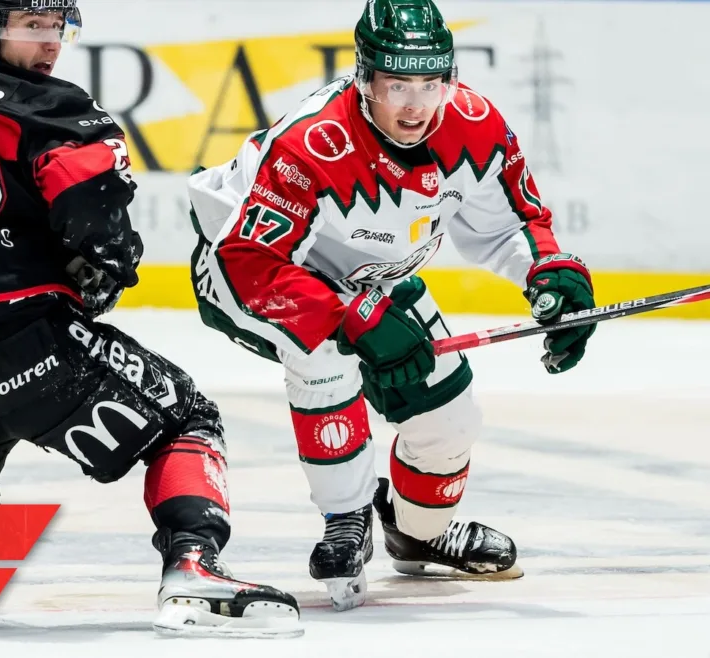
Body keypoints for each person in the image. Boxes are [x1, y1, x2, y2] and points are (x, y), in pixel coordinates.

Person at [0, 0, 300, 643]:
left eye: (56, 26)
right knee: (186, 417)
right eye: (30, 25)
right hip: (24, 347)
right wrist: (109, 264)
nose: (50, 43)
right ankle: (194, 566)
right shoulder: (45, 104)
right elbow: (95, 210)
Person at [187, 0, 595, 611]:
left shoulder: (475, 123)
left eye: (430, 83)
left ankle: (418, 532)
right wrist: (351, 319)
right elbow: (251, 262)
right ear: (364, 78)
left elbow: (514, 223)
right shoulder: (313, 143)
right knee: (323, 356)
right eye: (397, 84)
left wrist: (549, 275)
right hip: (249, 271)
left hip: (370, 277)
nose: (415, 105)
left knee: (450, 419)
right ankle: (345, 519)